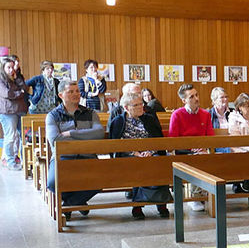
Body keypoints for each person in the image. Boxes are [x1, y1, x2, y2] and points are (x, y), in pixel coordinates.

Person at [45, 78, 104, 218]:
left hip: (87, 157)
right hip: (63, 158)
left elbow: (99, 133)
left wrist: (71, 133)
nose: (76, 94)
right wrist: (86, 135)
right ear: (61, 95)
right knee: (52, 183)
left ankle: (70, 204)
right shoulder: (53, 115)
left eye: (77, 91)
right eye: (70, 91)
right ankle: (79, 201)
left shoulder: (90, 113)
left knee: (102, 178)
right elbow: (55, 139)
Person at [108, 92, 171, 220]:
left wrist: (150, 152)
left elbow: (158, 140)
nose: (141, 107)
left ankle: (160, 202)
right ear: (126, 107)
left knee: (158, 163)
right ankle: (138, 204)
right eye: (136, 105)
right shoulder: (118, 121)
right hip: (128, 157)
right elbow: (116, 144)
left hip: (150, 154)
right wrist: (135, 153)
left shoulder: (149, 119)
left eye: (141, 103)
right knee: (138, 165)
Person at [168, 84, 214, 211]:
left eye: (197, 95)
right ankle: (195, 196)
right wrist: (190, 149)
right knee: (197, 158)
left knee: (208, 157)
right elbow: (173, 140)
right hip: (183, 151)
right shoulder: (177, 115)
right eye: (192, 96)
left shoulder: (205, 114)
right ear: (184, 100)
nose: (196, 99)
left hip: (201, 149)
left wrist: (203, 147)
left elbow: (210, 137)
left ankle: (208, 194)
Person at [0, 57, 29, 170]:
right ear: (3, 68)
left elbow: (25, 89)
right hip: (8, 112)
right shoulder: (1, 79)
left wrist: (17, 78)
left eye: (13, 67)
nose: (11, 69)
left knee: (23, 136)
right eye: (9, 67)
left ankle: (24, 160)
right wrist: (20, 93)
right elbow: (7, 94)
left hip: (20, 110)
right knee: (10, 137)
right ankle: (10, 161)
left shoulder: (16, 78)